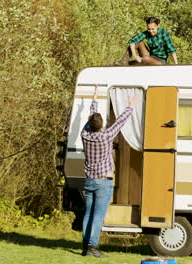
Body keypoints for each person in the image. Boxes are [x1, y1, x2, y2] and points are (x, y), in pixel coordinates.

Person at [81, 85, 140, 258]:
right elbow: (121, 121)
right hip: (103, 182)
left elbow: (90, 119)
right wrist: (131, 105)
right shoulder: (106, 136)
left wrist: (95, 99)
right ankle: (93, 247)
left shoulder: (85, 135)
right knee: (98, 215)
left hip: (89, 180)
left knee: (88, 213)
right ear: (101, 125)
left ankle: (86, 246)